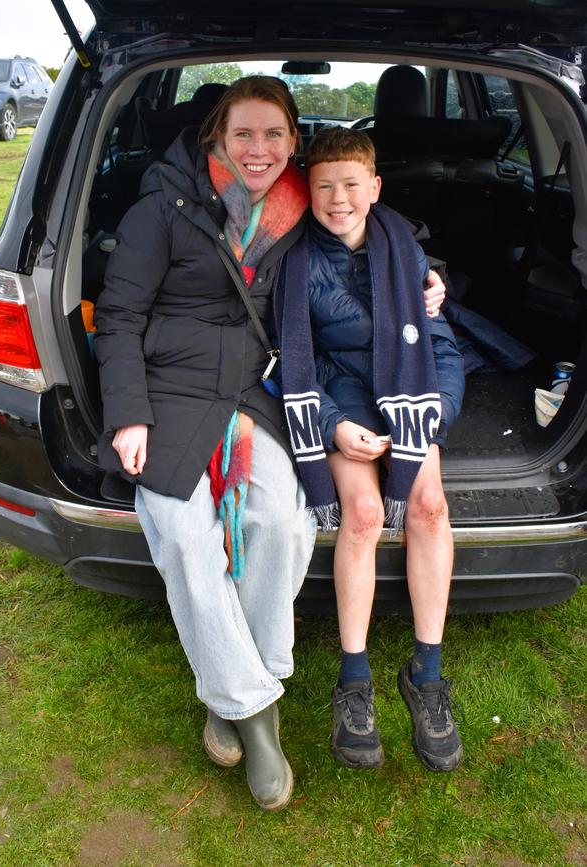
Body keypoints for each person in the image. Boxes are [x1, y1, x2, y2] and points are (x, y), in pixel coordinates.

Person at [93, 77, 447, 811]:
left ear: (294, 141)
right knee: (186, 538)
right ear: (215, 137)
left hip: (262, 392)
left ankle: (235, 678)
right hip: (171, 393)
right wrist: (129, 413)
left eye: (275, 135)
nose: (259, 150)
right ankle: (253, 711)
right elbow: (119, 314)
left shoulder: (301, 206)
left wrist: (427, 271)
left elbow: (371, 226)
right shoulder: (163, 205)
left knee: (284, 524)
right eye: (244, 134)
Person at [281, 126, 465, 772]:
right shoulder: (294, 259)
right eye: (324, 185)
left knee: (430, 504)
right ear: (307, 189)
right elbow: (287, 362)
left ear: (375, 187)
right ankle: (353, 681)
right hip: (342, 399)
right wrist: (332, 425)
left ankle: (427, 673)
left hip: (408, 391)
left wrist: (435, 409)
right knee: (360, 514)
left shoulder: (405, 251)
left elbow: (440, 345)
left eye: (351, 185)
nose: (338, 199)